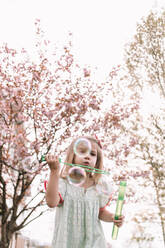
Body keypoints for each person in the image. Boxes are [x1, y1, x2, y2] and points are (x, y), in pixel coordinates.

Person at [45, 136, 124, 248]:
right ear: (73, 156)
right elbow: (51, 202)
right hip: (67, 241)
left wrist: (112, 217)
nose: (87, 157)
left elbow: (100, 212)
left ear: (97, 161)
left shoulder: (99, 186)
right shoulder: (64, 183)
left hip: (94, 242)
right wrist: (54, 171)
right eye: (82, 152)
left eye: (92, 154)